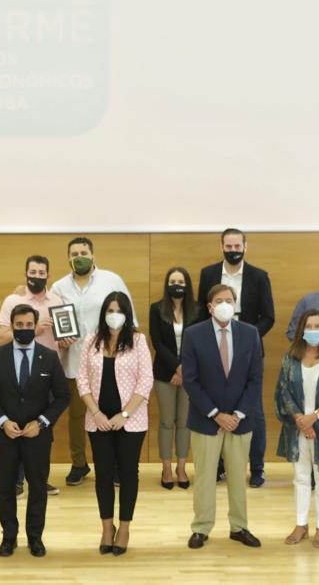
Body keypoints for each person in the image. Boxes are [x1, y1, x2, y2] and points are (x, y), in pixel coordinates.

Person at [0, 304, 70, 558]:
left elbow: (63, 397)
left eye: (29, 325)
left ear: (35, 326)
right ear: (11, 326)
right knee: (6, 487)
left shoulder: (49, 357)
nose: (24, 330)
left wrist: (41, 422)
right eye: (19, 326)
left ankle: (35, 537)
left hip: (37, 436)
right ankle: (9, 537)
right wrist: (2, 421)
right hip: (5, 435)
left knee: (38, 487)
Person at [181, 284, 264, 549]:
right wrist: (217, 414)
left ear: (235, 303)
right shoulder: (194, 334)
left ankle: (239, 527)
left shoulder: (250, 334)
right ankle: (201, 528)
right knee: (205, 477)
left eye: (229, 300)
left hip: (241, 420)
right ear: (210, 306)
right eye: (219, 300)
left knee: (239, 477)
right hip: (207, 419)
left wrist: (237, 414)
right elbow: (191, 381)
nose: (225, 304)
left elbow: (255, 378)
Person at [49, 236, 134, 488]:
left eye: (83, 252)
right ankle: (79, 463)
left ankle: (115, 466)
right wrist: (60, 339)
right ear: (68, 258)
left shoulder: (112, 280)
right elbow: (51, 320)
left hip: (109, 360)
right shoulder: (58, 287)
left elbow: (129, 315)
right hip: (74, 361)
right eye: (74, 254)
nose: (79, 257)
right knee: (77, 415)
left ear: (93, 255)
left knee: (110, 411)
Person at [195, 228, 275, 487]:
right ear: (221, 247)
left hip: (247, 350)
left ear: (245, 246)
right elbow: (200, 312)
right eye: (228, 246)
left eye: (237, 245)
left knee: (254, 411)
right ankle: (219, 466)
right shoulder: (208, 274)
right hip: (215, 348)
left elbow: (269, 316)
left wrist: (246, 338)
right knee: (218, 404)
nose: (233, 250)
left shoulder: (259, 276)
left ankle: (258, 468)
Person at [76, 292, 153, 556]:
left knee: (129, 474)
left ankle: (124, 528)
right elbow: (82, 380)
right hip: (98, 420)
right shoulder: (91, 341)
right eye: (109, 309)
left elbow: (146, 381)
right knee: (103, 474)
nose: (114, 314)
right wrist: (96, 412)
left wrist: (125, 414)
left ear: (127, 313)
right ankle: (106, 528)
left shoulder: (139, 341)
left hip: (131, 421)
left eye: (118, 310)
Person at [275, 310, 319, 548]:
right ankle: (300, 524)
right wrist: (300, 419)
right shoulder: (290, 357)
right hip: (298, 427)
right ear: (301, 329)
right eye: (309, 326)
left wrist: (314, 417)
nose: (313, 330)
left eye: (317, 326)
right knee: (301, 477)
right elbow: (283, 390)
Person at [0, 255, 65, 496]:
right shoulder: (12, 300)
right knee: (17, 426)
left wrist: (66, 339)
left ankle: (39, 478)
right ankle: (16, 480)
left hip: (47, 372)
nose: (37, 276)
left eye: (41, 272)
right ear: (25, 273)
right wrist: (33, 330)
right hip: (17, 371)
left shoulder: (57, 300)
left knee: (43, 429)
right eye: (32, 272)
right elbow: (1, 337)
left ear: (49, 275)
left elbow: (63, 340)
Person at [146, 266, 196, 490]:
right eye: (173, 281)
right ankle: (166, 467)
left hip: (190, 374)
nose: (177, 285)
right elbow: (157, 342)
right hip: (164, 373)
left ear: (187, 285)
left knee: (185, 423)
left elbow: (197, 342)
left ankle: (182, 467)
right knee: (167, 422)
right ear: (167, 284)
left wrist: (184, 369)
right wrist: (176, 367)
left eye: (181, 281)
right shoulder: (156, 309)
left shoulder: (196, 310)